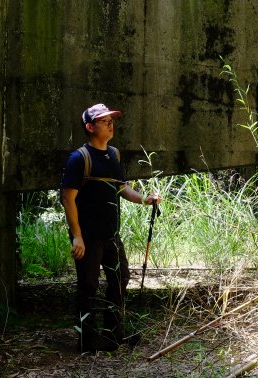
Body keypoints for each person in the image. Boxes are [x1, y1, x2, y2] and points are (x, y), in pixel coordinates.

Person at [60, 103, 161, 353]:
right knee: (89, 287)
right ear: (90, 126)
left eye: (111, 120)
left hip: (111, 235)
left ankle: (113, 337)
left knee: (120, 280)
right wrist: (77, 237)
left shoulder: (113, 155)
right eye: (104, 121)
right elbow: (67, 198)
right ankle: (87, 344)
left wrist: (144, 199)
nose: (110, 124)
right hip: (89, 237)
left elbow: (121, 187)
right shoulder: (79, 159)